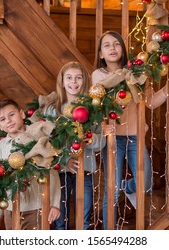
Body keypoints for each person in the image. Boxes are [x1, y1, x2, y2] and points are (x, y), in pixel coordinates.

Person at [91, 30, 169, 229]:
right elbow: (108, 89)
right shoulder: (99, 75)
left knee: (146, 183)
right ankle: (109, 234)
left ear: (122, 49)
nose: (112, 48)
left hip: (136, 137)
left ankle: (127, 187)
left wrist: (167, 89)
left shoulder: (137, 73)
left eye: (116, 44)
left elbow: (149, 101)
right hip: (113, 139)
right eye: (107, 45)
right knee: (112, 192)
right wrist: (134, 74)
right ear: (101, 55)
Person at [42, 61, 106, 230]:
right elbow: (46, 144)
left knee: (83, 220)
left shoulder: (93, 109)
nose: (73, 82)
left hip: (85, 170)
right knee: (59, 221)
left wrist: (91, 140)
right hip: (59, 173)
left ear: (84, 81)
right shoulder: (52, 110)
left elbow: (102, 141)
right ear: (62, 82)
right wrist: (65, 161)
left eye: (78, 78)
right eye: (69, 77)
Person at [0, 98, 61, 230]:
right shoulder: (1, 145)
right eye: (3, 119)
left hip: (35, 206)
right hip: (10, 208)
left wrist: (55, 204)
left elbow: (52, 171)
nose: (9, 120)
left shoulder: (36, 137)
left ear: (22, 114)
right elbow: (1, 179)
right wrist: (1, 210)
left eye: (12, 115)